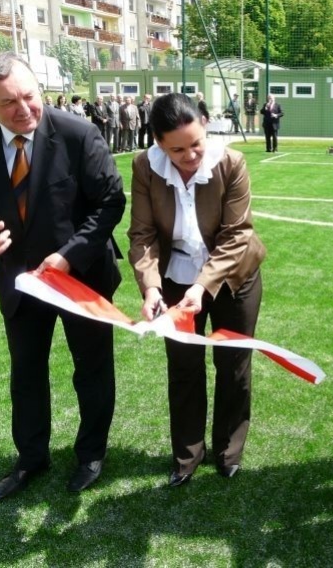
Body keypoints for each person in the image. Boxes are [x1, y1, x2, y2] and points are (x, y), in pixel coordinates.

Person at [0, 52, 126, 501]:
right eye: (8, 102)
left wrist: (69, 256)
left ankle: (91, 455)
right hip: (19, 279)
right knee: (26, 371)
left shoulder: (78, 133)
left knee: (92, 368)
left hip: (81, 276)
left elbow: (110, 202)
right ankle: (31, 458)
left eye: (30, 96)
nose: (24, 109)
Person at [127, 92, 265, 487]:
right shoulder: (145, 166)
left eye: (196, 144)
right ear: (158, 143)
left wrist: (203, 286)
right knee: (183, 366)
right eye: (177, 150)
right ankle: (186, 456)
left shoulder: (231, 162)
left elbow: (237, 235)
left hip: (234, 276)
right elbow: (142, 234)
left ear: (205, 125)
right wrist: (151, 288)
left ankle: (228, 450)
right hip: (174, 277)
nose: (190, 156)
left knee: (234, 365)